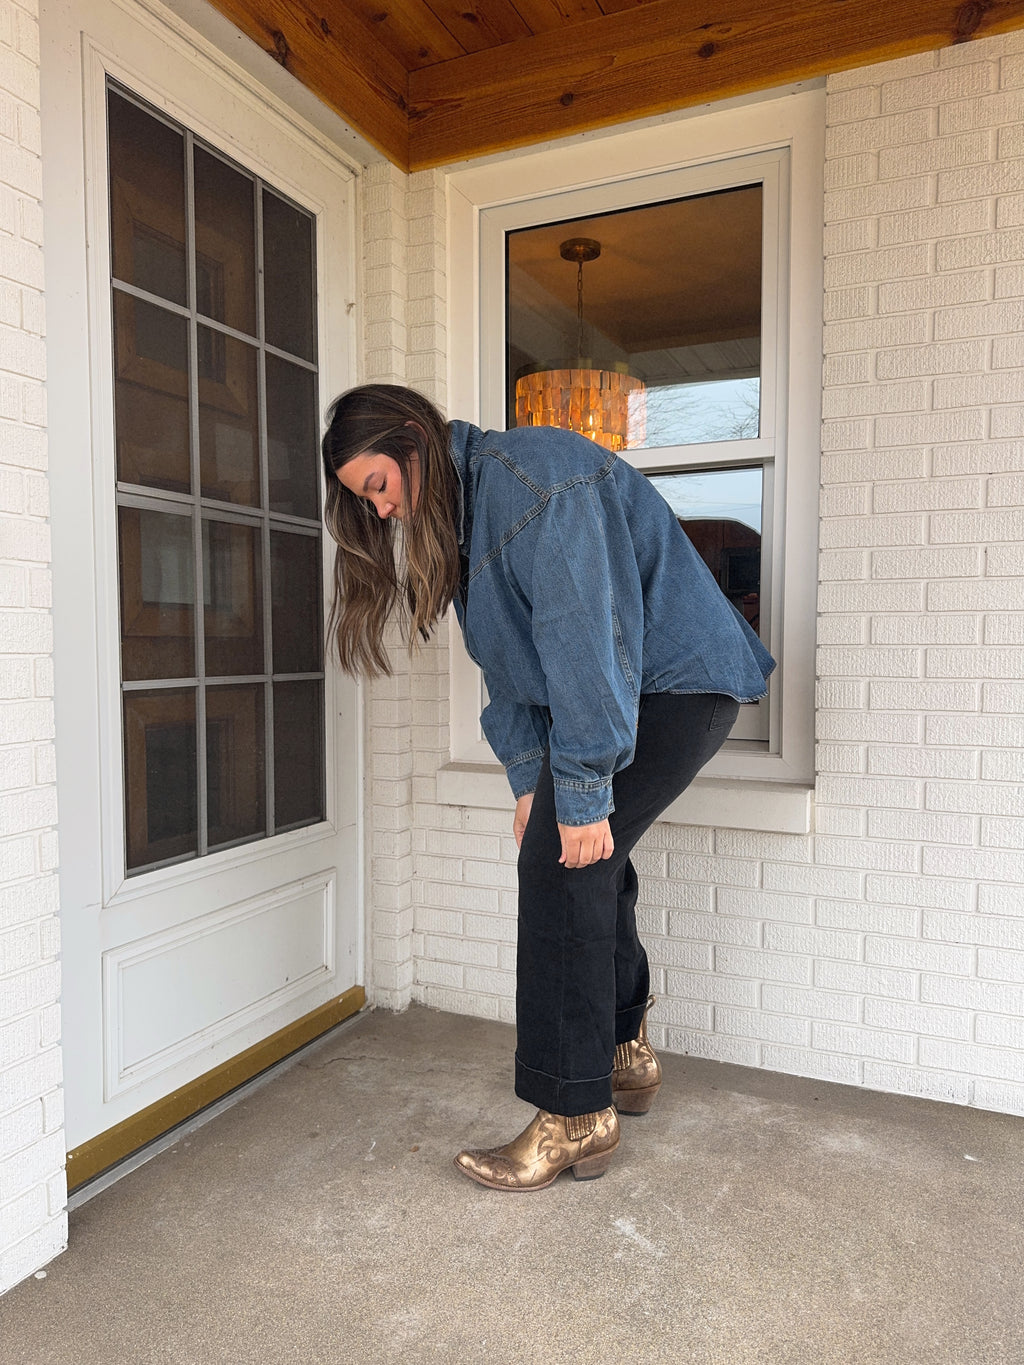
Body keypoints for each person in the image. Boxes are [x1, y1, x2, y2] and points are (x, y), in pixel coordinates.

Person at [321, 383, 775, 1191]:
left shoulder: (532, 483)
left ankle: (574, 1114)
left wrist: (583, 784)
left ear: (413, 441)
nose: (382, 511)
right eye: (366, 501)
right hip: (631, 688)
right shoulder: (469, 517)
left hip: (676, 685)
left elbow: (586, 642)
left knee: (562, 862)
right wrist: (532, 781)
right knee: (585, 854)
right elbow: (512, 668)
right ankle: (623, 1054)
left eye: (379, 487)